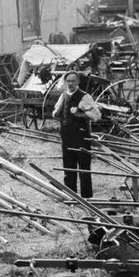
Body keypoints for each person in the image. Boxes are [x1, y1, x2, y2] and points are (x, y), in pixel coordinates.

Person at [51, 70, 102, 198]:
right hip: (66, 137)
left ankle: (86, 197)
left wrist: (80, 113)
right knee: (68, 168)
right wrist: (57, 113)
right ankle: (70, 196)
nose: (70, 83)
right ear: (65, 82)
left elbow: (96, 116)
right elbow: (56, 111)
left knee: (84, 168)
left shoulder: (84, 97)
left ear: (78, 82)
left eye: (73, 81)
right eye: (68, 81)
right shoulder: (63, 96)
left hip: (81, 137)